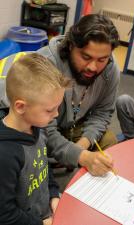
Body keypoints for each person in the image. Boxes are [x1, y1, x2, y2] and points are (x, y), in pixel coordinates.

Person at [37, 14, 120, 176]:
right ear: (70, 46)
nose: (93, 67)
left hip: (75, 125)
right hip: (41, 125)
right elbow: (42, 126)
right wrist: (80, 156)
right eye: (86, 57)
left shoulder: (111, 69)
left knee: (110, 142)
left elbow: (103, 113)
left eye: (102, 59)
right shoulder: (45, 64)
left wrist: (82, 145)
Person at [0, 53, 70, 225]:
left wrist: (53, 194)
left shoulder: (37, 127)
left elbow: (42, 166)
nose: (56, 115)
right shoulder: (5, 155)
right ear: (20, 107)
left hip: (44, 211)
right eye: (49, 110)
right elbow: (5, 214)